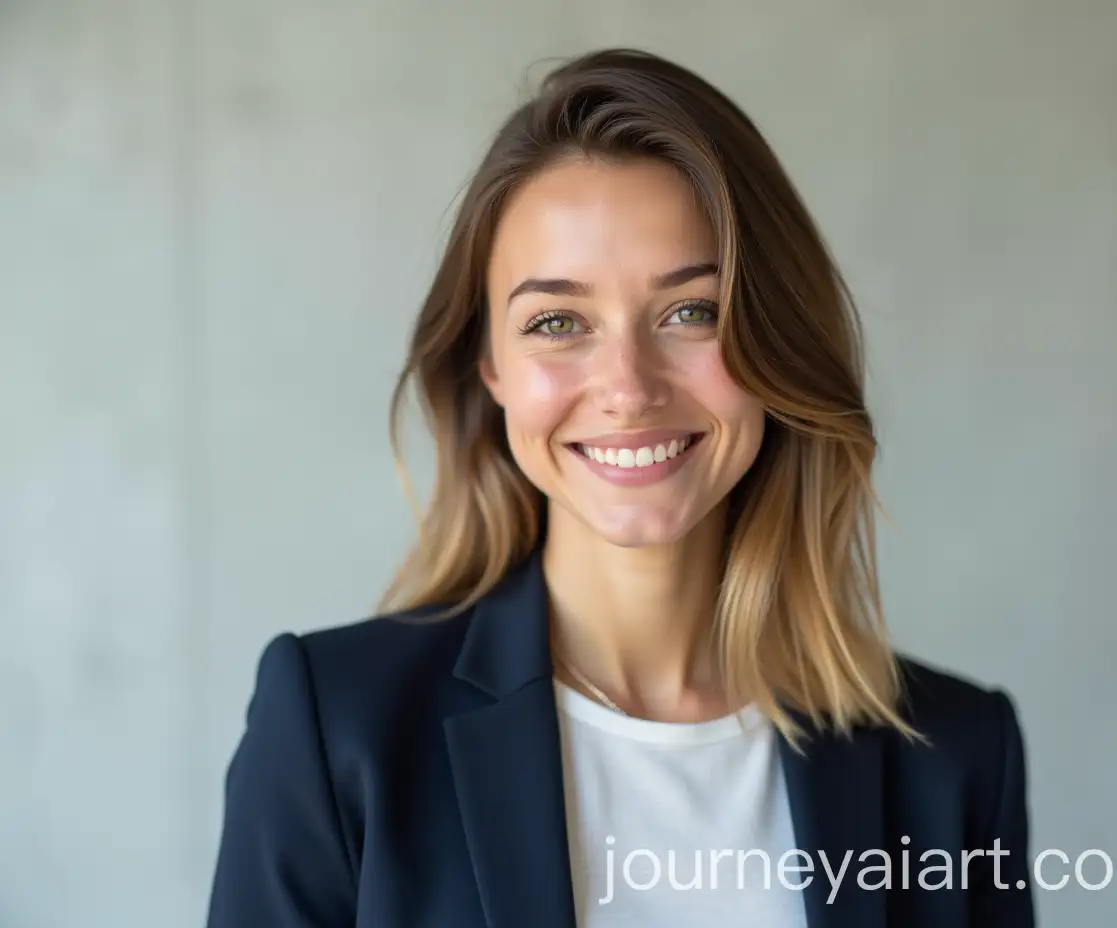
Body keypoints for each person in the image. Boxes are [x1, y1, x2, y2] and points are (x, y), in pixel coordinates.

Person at [205, 48, 1035, 928]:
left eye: (692, 311)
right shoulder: (337, 728)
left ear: (778, 345)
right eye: (558, 322)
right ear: (490, 367)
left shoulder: (953, 754)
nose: (629, 388)